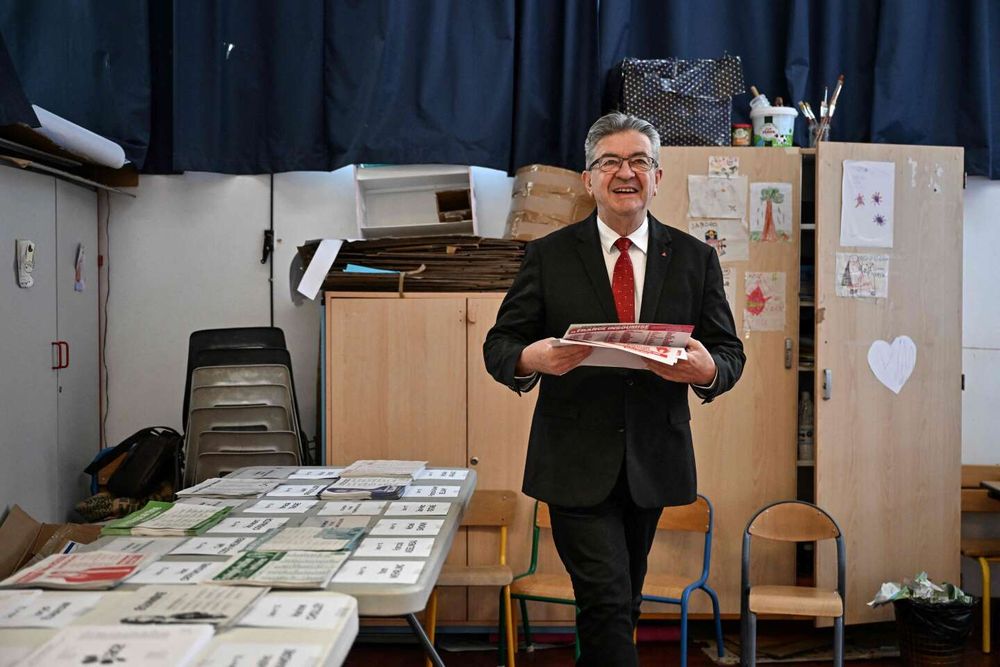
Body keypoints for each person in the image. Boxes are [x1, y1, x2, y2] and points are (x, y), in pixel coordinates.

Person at [483, 112, 744, 666]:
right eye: (610, 162)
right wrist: (537, 358)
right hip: (573, 460)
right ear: (588, 178)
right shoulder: (549, 255)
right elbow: (501, 344)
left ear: (658, 176)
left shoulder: (696, 260)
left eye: (639, 161)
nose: (625, 172)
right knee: (605, 600)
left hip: (653, 459)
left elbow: (728, 353)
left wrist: (707, 372)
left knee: (620, 603)